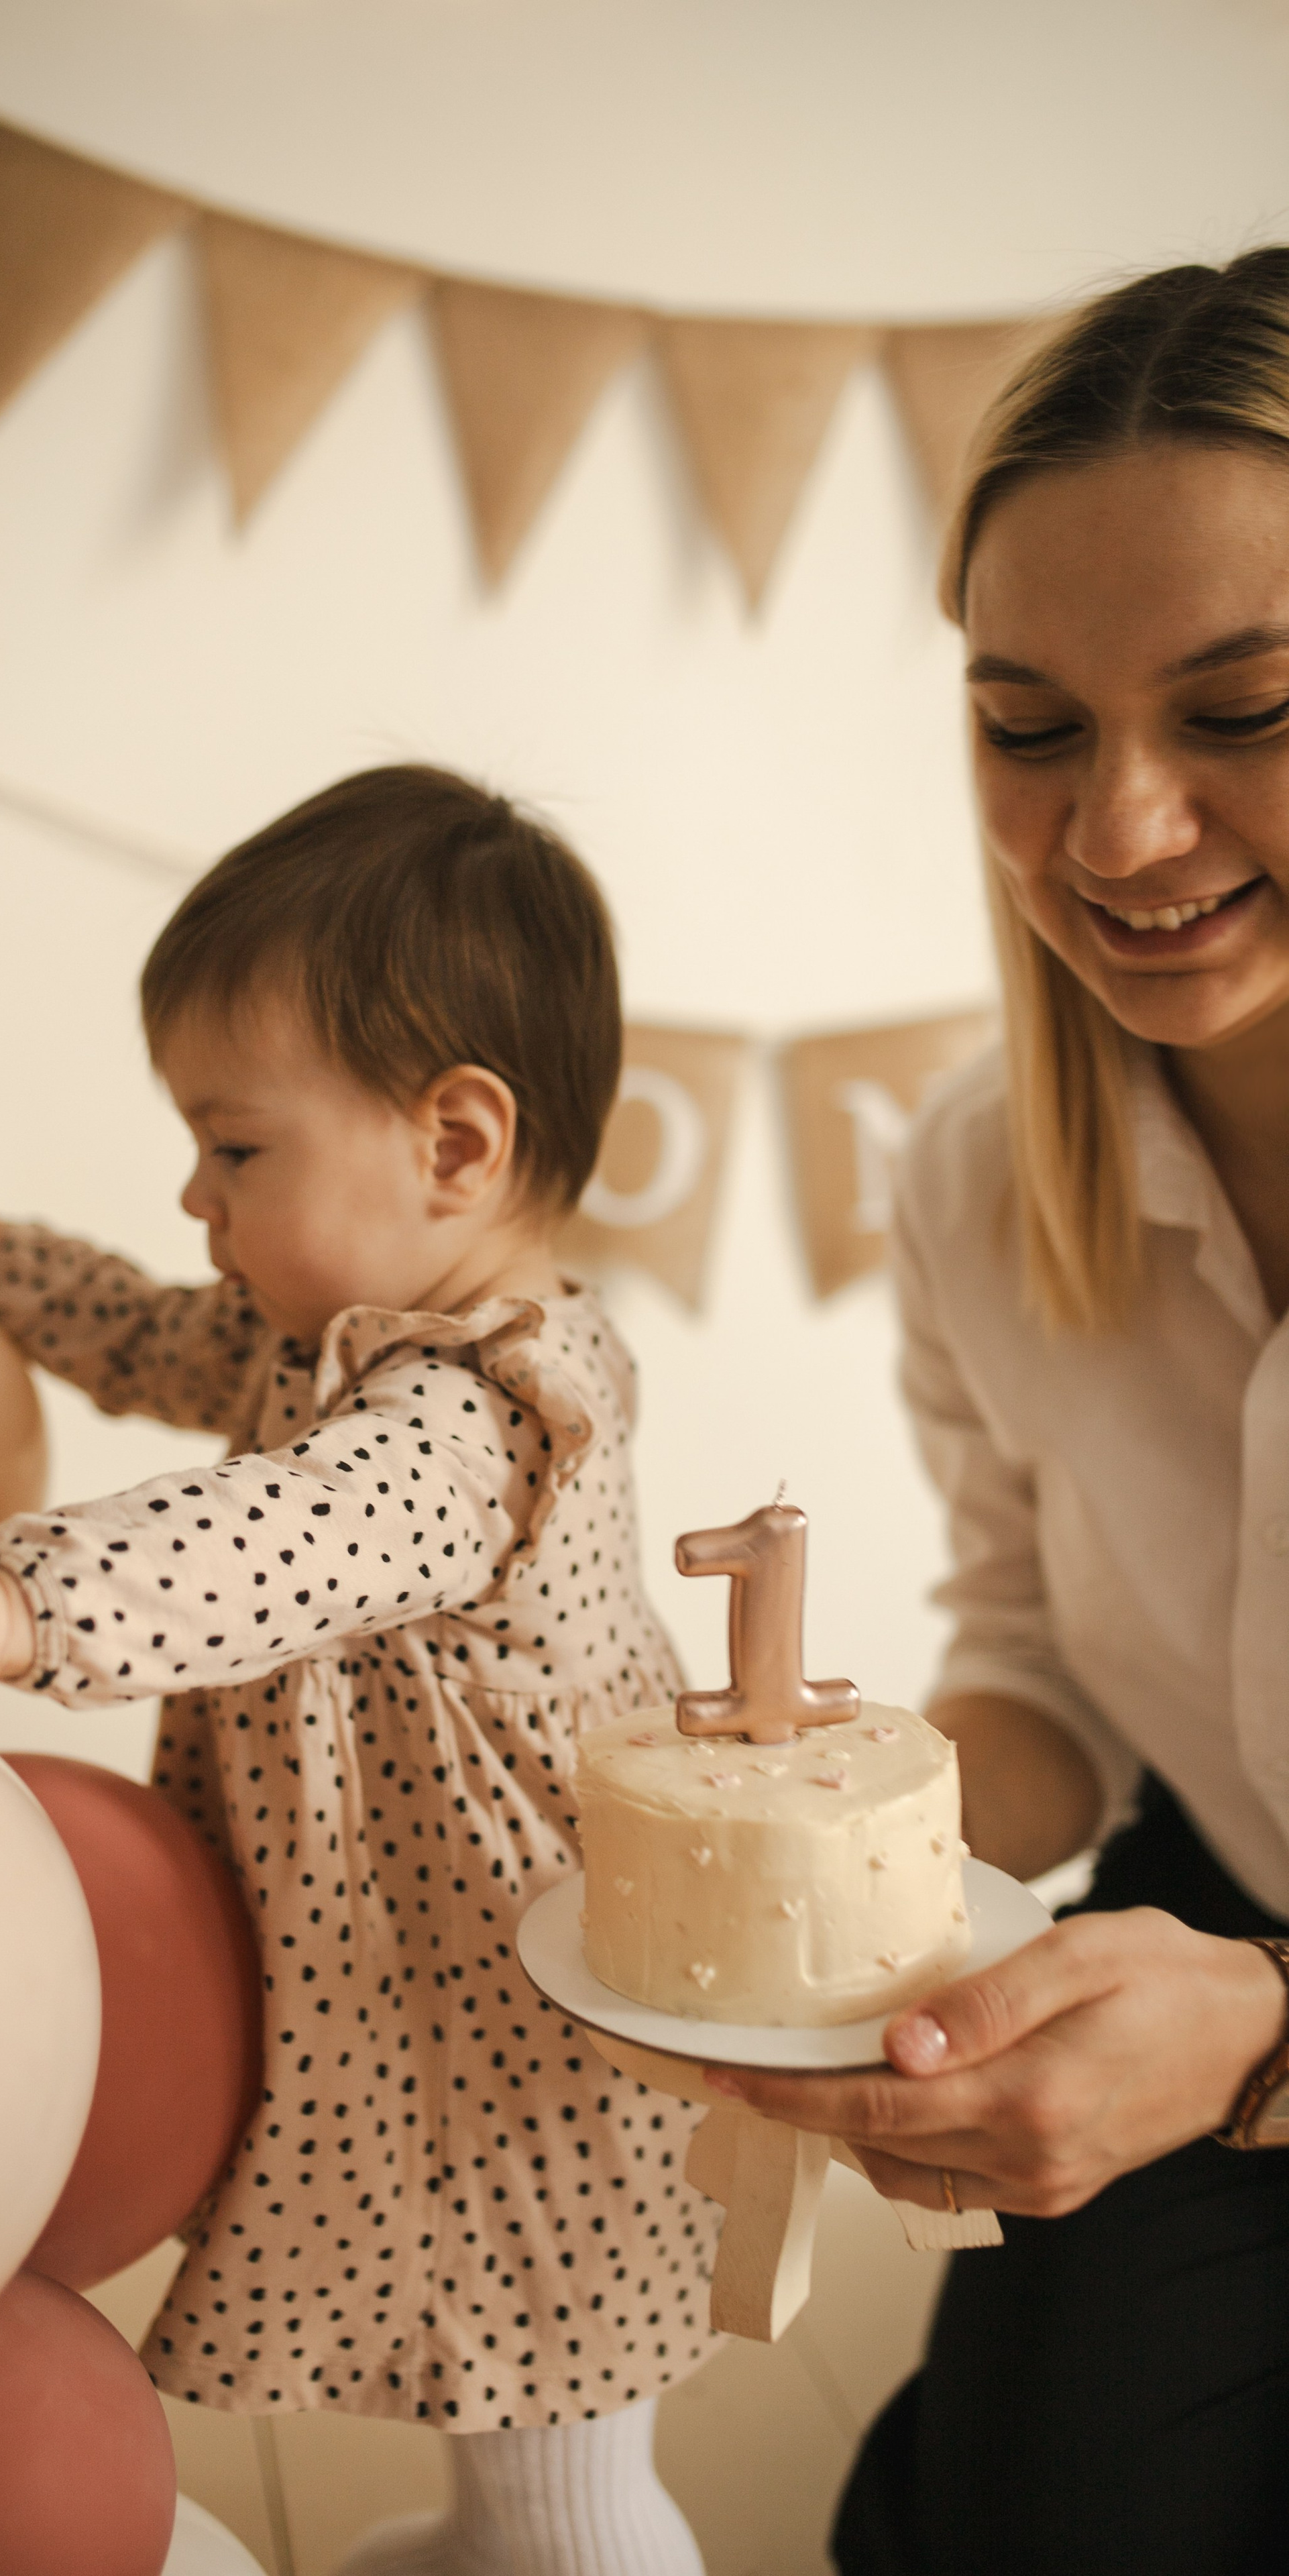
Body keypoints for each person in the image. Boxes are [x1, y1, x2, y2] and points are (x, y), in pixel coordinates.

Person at [0, 765, 710, 2576]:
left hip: (536, 2040)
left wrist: (11, 1608)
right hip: (429, 2006)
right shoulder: (347, 1335)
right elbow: (149, 1334)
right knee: (491, 2420)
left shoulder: (468, 1418)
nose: (197, 1194)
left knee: (570, 2478)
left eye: (240, 1148)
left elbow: (272, 1543)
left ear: (455, 1144)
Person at [704, 253, 1289, 2575]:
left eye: (1249, 706)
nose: (1120, 835)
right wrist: (827, 1814)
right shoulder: (971, 1174)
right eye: (1029, 727)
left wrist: (1259, 2039)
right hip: (1207, 1924)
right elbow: (1040, 1662)